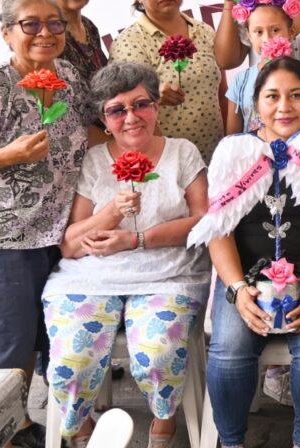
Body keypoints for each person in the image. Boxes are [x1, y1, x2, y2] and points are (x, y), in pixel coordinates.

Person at [0, 0, 100, 446]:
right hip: (3, 239)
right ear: (6, 32)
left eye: (54, 23)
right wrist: (9, 154)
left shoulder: (69, 77)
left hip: (62, 235)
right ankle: (6, 431)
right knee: (8, 346)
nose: (45, 33)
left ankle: (60, 423)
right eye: (30, 24)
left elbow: (91, 133)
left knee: (58, 339)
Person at [192, 57, 300, 448]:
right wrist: (237, 289)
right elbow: (218, 229)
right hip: (247, 280)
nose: (284, 107)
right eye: (272, 96)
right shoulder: (235, 152)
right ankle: (231, 442)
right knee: (229, 352)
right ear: (256, 103)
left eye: (296, 95)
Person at [43, 62, 209, 448]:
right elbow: (70, 244)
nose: (131, 117)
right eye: (117, 110)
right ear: (104, 120)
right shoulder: (94, 160)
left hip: (167, 275)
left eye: (141, 104)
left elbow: (204, 223)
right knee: (71, 360)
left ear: (156, 106)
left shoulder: (182, 153)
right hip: (91, 277)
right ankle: (81, 430)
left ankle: (163, 423)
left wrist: (135, 240)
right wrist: (113, 213)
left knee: (158, 352)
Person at [111, 0, 224, 161]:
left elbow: (221, 90)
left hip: (215, 156)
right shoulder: (129, 42)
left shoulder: (204, 31)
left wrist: (229, 143)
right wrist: (150, 97)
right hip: (166, 162)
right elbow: (124, 109)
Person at [226, 4, 293, 134]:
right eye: (258, 32)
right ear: (249, 35)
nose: (267, 39)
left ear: (291, 31)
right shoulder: (241, 81)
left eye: (275, 30)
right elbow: (232, 137)